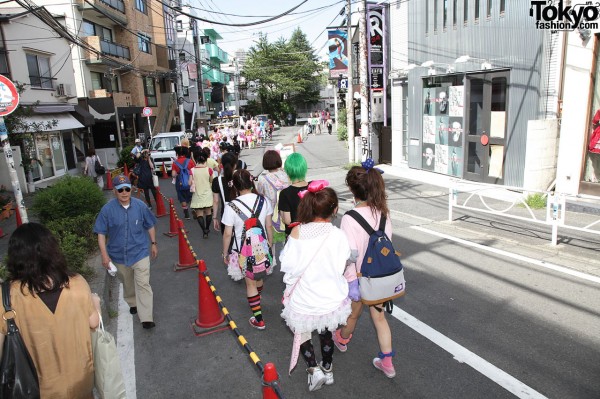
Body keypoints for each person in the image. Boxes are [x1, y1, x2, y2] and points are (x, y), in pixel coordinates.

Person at [0, 223, 101, 397]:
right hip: (82, 382)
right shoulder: (76, 283)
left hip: (37, 388)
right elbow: (94, 322)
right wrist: (96, 302)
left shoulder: (8, 297)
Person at [280, 181, 351, 391]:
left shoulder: (296, 233)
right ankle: (328, 368)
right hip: (329, 296)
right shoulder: (338, 235)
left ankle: (313, 369)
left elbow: (288, 266)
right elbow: (341, 264)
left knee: (302, 333)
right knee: (326, 332)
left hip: (304, 296)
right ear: (335, 209)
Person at [335, 161, 397, 378]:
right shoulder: (383, 213)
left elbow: (350, 255)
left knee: (353, 314)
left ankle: (341, 340)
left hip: (359, 278)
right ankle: (387, 363)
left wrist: (350, 281)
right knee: (379, 318)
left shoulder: (350, 218)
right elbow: (388, 243)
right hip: (380, 276)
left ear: (353, 190)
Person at [94, 174, 158, 329]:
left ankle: (146, 318)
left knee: (143, 283)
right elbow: (101, 233)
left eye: (127, 189)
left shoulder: (140, 206)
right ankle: (132, 301)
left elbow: (150, 225)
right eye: (120, 190)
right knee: (127, 282)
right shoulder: (107, 210)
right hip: (118, 255)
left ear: (131, 189)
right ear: (115, 192)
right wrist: (104, 255)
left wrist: (153, 243)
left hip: (140, 251)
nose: (124, 192)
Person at [222, 169, 273, 329]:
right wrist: (270, 244)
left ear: (235, 187)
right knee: (259, 278)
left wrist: (226, 253)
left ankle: (259, 319)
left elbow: (227, 234)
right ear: (251, 183)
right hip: (262, 248)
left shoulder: (231, 206)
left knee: (250, 284)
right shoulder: (263, 201)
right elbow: (269, 225)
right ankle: (257, 300)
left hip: (242, 252)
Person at [256, 150, 291, 264]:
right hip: (285, 210)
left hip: (270, 212)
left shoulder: (262, 178)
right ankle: (288, 261)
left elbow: (260, 194)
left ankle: (272, 261)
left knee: (271, 238)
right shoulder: (286, 175)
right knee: (287, 237)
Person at [279, 153, 309, 238]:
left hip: (295, 236)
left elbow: (287, 220)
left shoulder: (285, 193)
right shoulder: (313, 187)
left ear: (288, 170)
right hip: (314, 234)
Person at [191, 146, 214, 239]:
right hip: (207, 193)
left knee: (199, 214)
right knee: (208, 212)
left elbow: (189, 182)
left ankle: (204, 230)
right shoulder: (209, 170)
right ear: (205, 160)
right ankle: (207, 228)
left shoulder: (192, 170)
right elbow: (211, 180)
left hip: (197, 194)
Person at [212, 152, 237, 234]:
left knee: (227, 237)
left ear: (222, 164)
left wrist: (215, 217)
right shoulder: (240, 176)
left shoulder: (216, 181)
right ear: (235, 165)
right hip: (241, 213)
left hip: (225, 213)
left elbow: (216, 201)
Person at [172, 145, 196, 219]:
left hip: (180, 182)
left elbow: (173, 175)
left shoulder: (175, 163)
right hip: (190, 180)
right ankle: (194, 209)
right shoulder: (190, 161)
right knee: (192, 196)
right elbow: (194, 171)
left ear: (177, 154)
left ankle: (186, 214)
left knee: (182, 197)